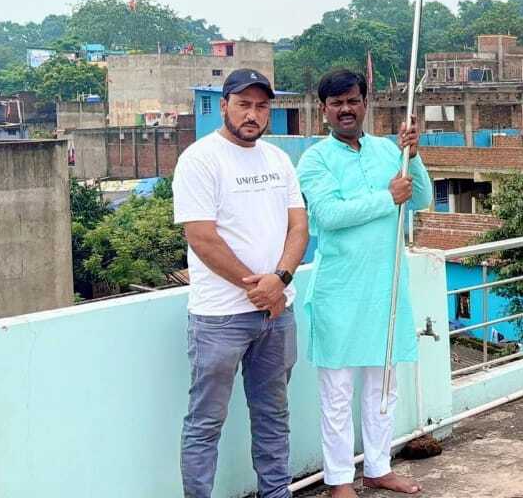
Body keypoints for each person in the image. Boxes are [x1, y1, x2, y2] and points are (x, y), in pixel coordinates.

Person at [173, 68, 308, 498]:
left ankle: (276, 493)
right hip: (219, 317)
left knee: (273, 415)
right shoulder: (200, 159)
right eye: (244, 104)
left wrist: (280, 280)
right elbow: (202, 237)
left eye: (261, 106)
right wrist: (258, 288)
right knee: (205, 422)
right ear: (224, 106)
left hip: (276, 313)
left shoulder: (278, 159)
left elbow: (299, 227)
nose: (252, 114)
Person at [296, 69, 430, 498]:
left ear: (365, 103)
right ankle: (339, 481)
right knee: (337, 393)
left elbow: (421, 198)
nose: (346, 109)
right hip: (339, 294)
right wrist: (387, 198)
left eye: (353, 100)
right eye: (336, 103)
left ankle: (378, 467)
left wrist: (413, 156)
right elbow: (329, 215)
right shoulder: (315, 160)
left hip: (385, 292)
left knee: (382, 389)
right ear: (324, 109)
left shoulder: (387, 151)